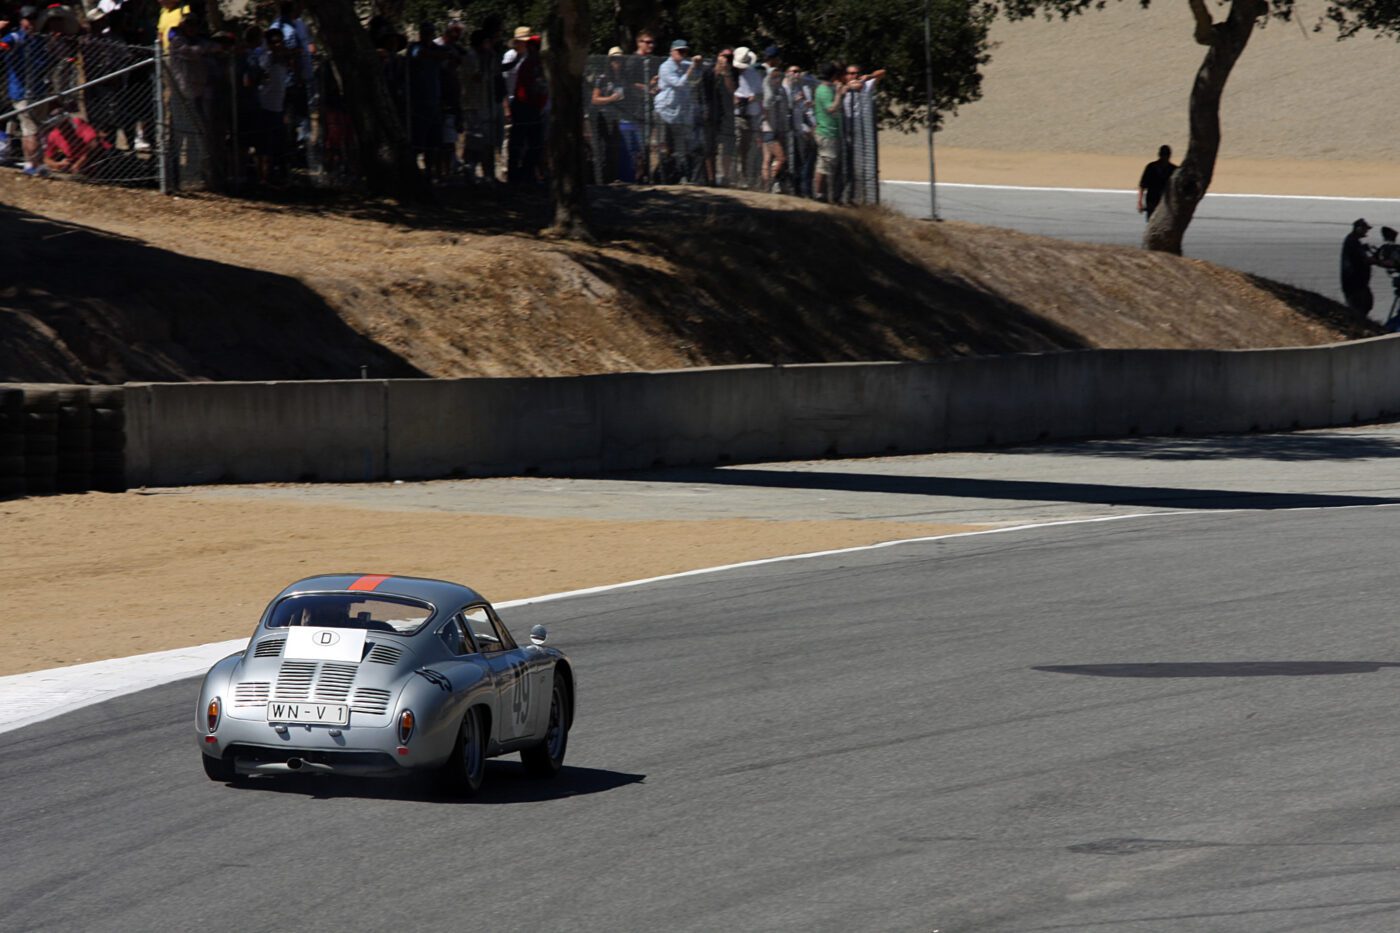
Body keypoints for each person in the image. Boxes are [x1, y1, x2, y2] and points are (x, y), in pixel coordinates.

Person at [1, 5, 53, 176]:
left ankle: (33, 163)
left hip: (40, 91)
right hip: (22, 93)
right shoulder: (16, 37)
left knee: (36, 130)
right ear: (21, 20)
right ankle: (32, 165)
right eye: (27, 19)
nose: (30, 23)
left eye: (33, 19)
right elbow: (3, 45)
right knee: (29, 129)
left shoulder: (40, 40)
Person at [653, 37, 700, 183]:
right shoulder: (666, 67)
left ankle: (680, 176)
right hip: (664, 111)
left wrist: (697, 63)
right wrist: (692, 68)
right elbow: (679, 84)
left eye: (684, 51)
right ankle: (660, 177)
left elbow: (699, 72)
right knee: (664, 146)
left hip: (678, 114)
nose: (682, 54)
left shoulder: (684, 65)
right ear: (672, 52)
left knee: (679, 146)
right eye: (679, 51)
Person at [812, 61, 848, 203]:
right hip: (827, 132)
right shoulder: (825, 90)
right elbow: (831, 108)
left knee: (823, 163)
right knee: (827, 164)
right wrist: (839, 94)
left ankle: (821, 193)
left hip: (829, 131)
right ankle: (822, 194)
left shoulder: (825, 88)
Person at [731, 45, 761, 188]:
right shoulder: (733, 74)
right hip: (737, 115)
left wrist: (752, 97)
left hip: (750, 115)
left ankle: (747, 177)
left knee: (746, 148)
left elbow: (759, 93)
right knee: (737, 146)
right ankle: (736, 176)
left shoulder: (753, 74)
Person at [1340, 217, 1376, 317]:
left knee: (1367, 303)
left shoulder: (1353, 241)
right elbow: (1364, 259)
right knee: (1359, 308)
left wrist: (1364, 248)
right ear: (1359, 229)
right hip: (1354, 284)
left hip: (1358, 283)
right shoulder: (1352, 242)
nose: (1366, 231)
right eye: (1365, 229)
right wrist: (1379, 261)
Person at [1137, 144, 1176, 220]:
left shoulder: (1173, 170)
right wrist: (1140, 202)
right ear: (1159, 155)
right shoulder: (1151, 167)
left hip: (1168, 203)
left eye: (1166, 155)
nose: (1164, 157)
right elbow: (1142, 186)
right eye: (1163, 154)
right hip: (1152, 201)